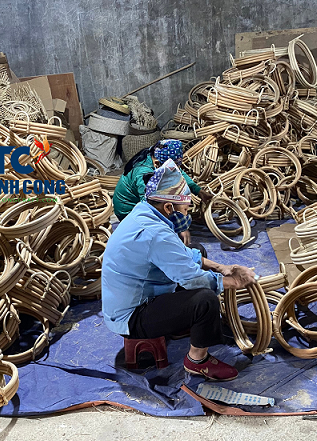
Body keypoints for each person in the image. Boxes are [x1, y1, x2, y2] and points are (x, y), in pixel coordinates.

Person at [102, 159, 256, 381]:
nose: (186, 215)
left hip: (136, 297)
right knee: (205, 299)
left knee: (197, 251)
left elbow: (182, 254)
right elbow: (193, 279)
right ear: (168, 207)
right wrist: (233, 282)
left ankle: (181, 324)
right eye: (184, 209)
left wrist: (222, 267)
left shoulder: (145, 211)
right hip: (132, 316)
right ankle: (197, 361)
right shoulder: (155, 233)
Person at [113, 139, 213, 246]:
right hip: (127, 210)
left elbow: (179, 173)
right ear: (157, 163)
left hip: (141, 202)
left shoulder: (157, 157)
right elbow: (148, 206)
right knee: (158, 235)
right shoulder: (144, 173)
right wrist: (179, 228)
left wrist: (199, 191)